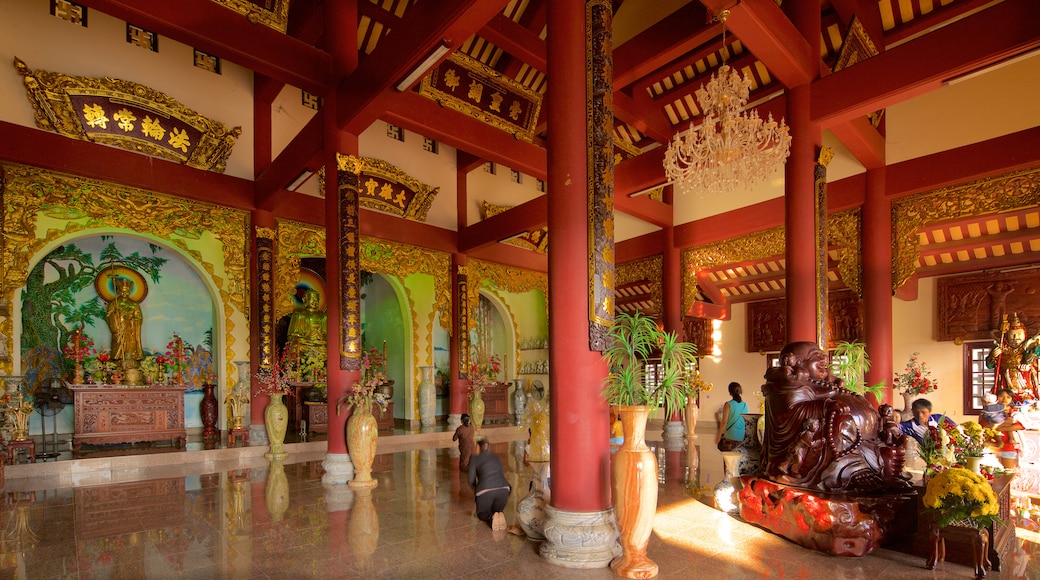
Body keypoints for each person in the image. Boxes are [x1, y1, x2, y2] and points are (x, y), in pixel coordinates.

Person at [762, 342, 909, 492]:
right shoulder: (787, 385)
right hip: (832, 442)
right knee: (842, 423)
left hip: (863, 439)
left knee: (891, 442)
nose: (824, 359)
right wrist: (825, 406)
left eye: (823, 356)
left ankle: (883, 470)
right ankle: (853, 471)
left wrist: (884, 421)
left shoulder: (825, 383)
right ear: (795, 361)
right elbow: (790, 412)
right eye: (816, 356)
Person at [986, 313, 1040, 401]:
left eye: (1019, 334)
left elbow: (1034, 358)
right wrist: (993, 356)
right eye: (1012, 334)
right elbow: (990, 366)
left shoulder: (1029, 348)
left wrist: (1028, 363)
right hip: (1005, 384)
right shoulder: (1002, 349)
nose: (1015, 337)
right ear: (1007, 336)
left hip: (1024, 383)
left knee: (1026, 401)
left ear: (1024, 334)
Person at [468, 439, 511, 530]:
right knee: (497, 511)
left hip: (485, 489)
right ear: (489, 447)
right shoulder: (496, 457)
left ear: (478, 448)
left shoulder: (475, 459)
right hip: (504, 489)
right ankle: (499, 514)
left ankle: (491, 518)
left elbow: (470, 480)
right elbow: (502, 474)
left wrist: (477, 490)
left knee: (482, 514)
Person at [105, 277, 143, 365]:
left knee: (131, 343)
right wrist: (116, 314)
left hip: (131, 328)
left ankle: (132, 358)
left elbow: (138, 317)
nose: (124, 293)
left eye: (126, 291)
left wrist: (131, 318)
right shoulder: (114, 302)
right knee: (118, 342)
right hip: (119, 328)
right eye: (122, 290)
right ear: (118, 291)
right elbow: (108, 315)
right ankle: (118, 359)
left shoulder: (134, 304)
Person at [715, 382, 748, 452]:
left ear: (730, 393)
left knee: (727, 460)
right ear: (740, 391)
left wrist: (719, 436)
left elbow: (724, 422)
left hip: (730, 435)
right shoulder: (745, 405)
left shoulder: (728, 404)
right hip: (741, 436)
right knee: (738, 460)